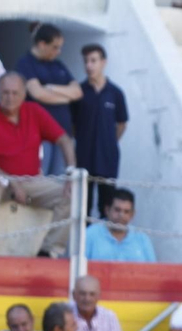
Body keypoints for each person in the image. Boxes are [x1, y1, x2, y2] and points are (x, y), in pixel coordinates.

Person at [0, 73, 76, 258]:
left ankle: (49, 251)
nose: (10, 98)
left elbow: (64, 140)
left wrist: (71, 173)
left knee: (72, 194)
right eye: (5, 92)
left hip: (32, 182)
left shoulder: (34, 111)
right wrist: (13, 182)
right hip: (1, 183)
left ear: (23, 94)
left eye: (15, 93)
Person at [15, 24, 82, 177]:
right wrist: (66, 97)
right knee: (40, 177)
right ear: (42, 44)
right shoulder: (25, 63)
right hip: (40, 135)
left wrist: (52, 88)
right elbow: (38, 94)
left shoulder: (58, 65)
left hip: (64, 134)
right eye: (55, 47)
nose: (58, 52)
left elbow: (78, 92)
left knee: (61, 179)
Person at [74, 44, 127, 216]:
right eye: (86, 61)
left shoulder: (116, 93)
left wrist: (109, 142)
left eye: (93, 61)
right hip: (84, 158)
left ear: (103, 62)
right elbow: (73, 126)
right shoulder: (78, 92)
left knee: (107, 205)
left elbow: (121, 124)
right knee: (83, 208)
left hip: (107, 159)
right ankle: (85, 242)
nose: (89, 65)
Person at [84, 189, 156, 262]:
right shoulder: (90, 234)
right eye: (117, 210)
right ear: (107, 210)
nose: (121, 215)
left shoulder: (141, 238)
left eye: (126, 212)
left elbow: (152, 270)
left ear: (132, 214)